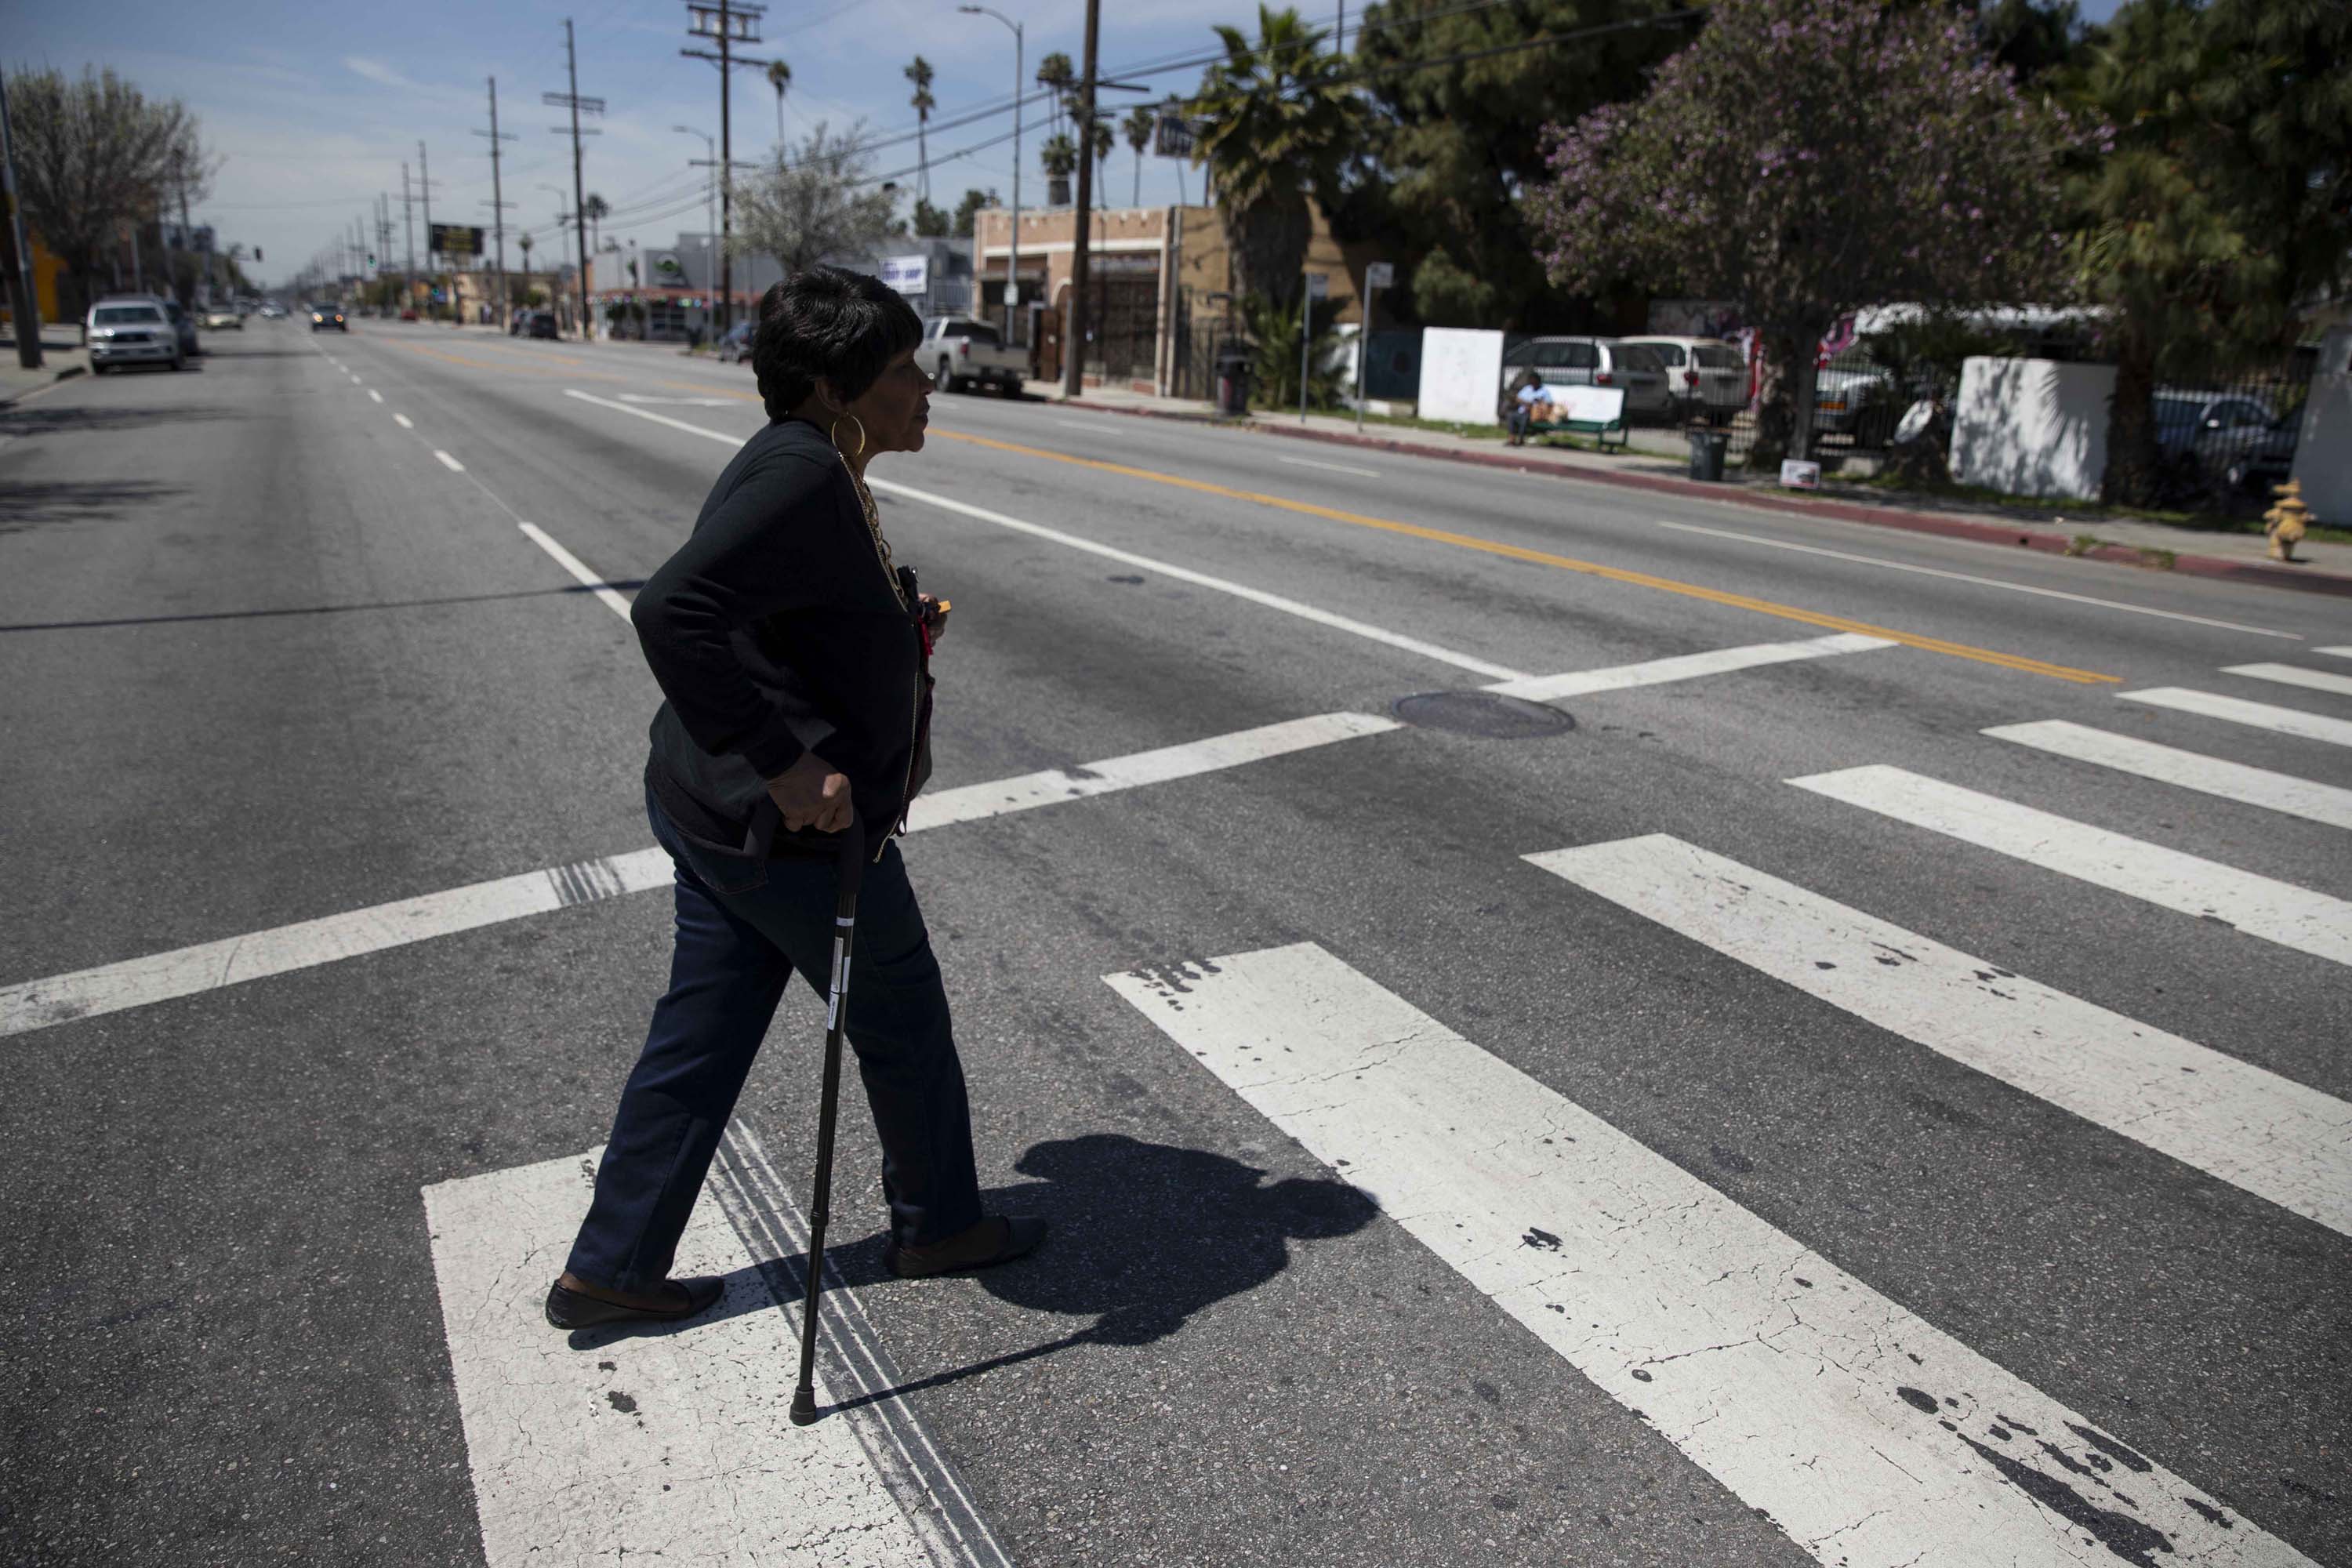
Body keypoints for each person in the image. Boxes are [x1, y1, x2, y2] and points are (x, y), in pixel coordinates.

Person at [547, 266, 1045, 1331]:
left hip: (717, 815)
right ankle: (940, 1224)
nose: (926, 386)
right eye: (902, 368)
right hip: (791, 830)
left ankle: (614, 1264)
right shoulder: (801, 473)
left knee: (707, 1033)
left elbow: (773, 617)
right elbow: (672, 611)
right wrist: (781, 758)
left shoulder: (815, 461)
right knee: (903, 1017)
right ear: (833, 385)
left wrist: (902, 629)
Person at [1502, 365, 1546, 445]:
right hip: (1521, 410)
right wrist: (1526, 403)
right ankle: (1511, 438)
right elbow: (1518, 398)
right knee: (1511, 416)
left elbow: (1542, 402)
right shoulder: (1527, 388)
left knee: (1524, 418)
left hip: (1532, 413)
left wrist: (1529, 404)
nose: (1533, 383)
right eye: (1531, 381)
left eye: (1534, 381)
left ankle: (1520, 439)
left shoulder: (1543, 390)